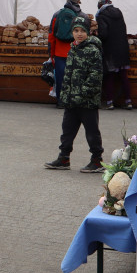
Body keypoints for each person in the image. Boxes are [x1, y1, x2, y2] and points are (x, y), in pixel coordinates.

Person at [45, 16, 104, 172]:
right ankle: (64, 158)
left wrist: (83, 92)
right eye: (76, 30)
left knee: (92, 132)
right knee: (67, 130)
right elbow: (68, 75)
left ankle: (97, 160)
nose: (79, 34)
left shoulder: (93, 50)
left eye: (82, 31)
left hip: (87, 101)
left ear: (88, 32)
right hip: (72, 100)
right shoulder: (73, 49)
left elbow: (95, 76)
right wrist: (65, 94)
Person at [96, 0, 132, 110]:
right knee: (123, 76)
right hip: (122, 48)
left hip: (110, 50)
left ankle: (110, 102)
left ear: (100, 6)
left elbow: (104, 34)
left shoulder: (101, 15)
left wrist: (97, 35)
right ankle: (128, 101)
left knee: (110, 77)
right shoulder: (119, 12)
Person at [49, 0, 82, 106]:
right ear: (78, 2)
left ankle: (61, 101)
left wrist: (51, 53)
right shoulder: (80, 15)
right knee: (74, 77)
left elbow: (52, 35)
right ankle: (72, 100)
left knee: (60, 77)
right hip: (74, 50)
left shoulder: (57, 14)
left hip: (59, 52)